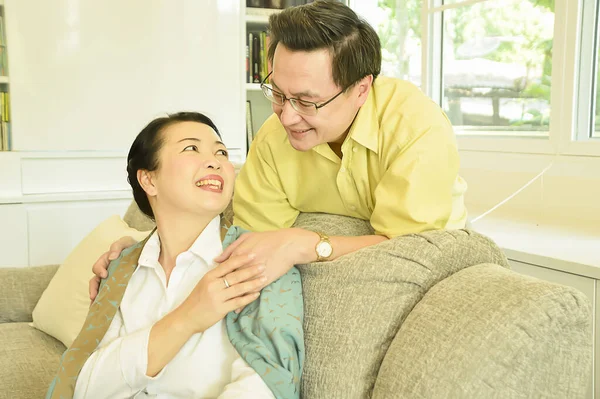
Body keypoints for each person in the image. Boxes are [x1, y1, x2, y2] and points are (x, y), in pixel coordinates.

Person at [89, 0, 467, 304]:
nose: (286, 116)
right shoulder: (272, 139)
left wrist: (307, 242)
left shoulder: (416, 126)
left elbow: (409, 247)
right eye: (278, 93)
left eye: (306, 101)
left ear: (361, 89)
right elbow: (247, 238)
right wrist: (145, 253)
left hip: (425, 271)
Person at [46, 112, 303, 399]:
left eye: (221, 152)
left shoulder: (259, 259)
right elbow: (86, 387)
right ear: (148, 180)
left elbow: (266, 385)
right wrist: (187, 318)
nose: (215, 161)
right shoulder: (120, 269)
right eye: (191, 148)